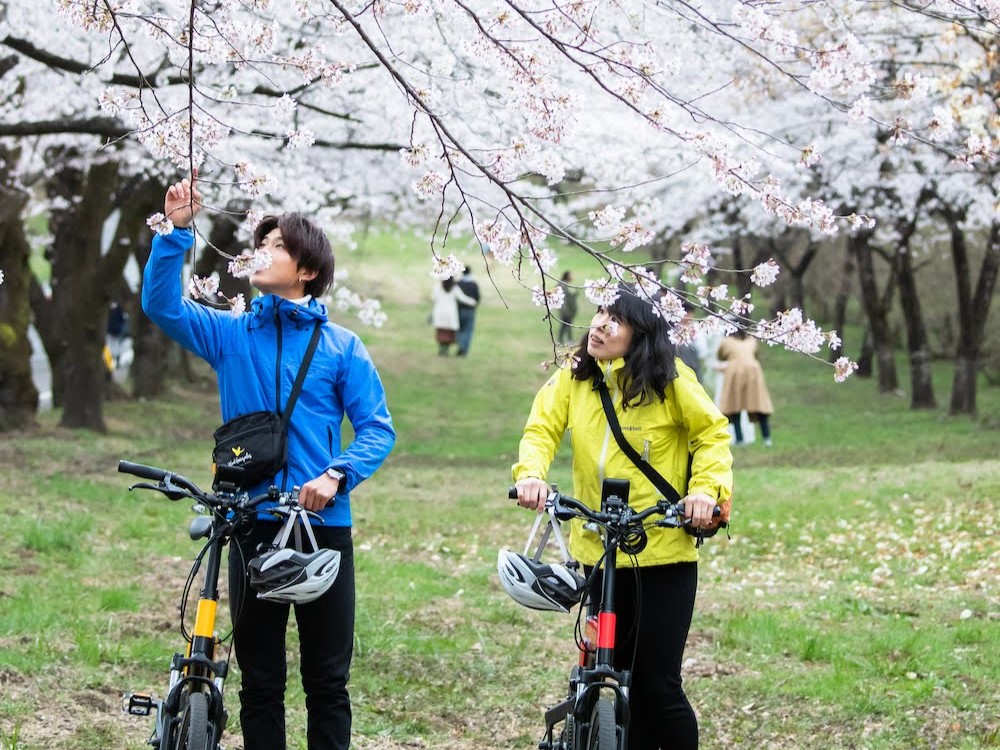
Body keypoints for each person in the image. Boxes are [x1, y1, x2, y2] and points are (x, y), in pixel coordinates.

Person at [142, 172, 396, 750]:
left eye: (278, 246)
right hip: (250, 521)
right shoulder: (230, 335)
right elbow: (159, 305)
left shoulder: (343, 347)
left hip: (322, 527)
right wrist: (176, 233)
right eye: (263, 243)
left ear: (306, 270)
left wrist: (336, 474)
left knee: (327, 682)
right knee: (259, 681)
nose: (263, 252)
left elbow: (378, 429)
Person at [511, 291, 733, 750]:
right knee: (597, 670)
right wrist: (532, 475)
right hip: (597, 549)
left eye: (615, 320)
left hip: (663, 551)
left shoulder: (671, 380)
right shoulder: (574, 377)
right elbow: (542, 428)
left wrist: (703, 492)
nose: (599, 325)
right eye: (599, 314)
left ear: (642, 334)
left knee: (656, 686)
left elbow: (711, 433)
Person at [716, 329, 774, 446]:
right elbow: (756, 354)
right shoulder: (752, 340)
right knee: (758, 404)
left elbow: (720, 355)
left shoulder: (726, 341)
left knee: (734, 406)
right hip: (753, 371)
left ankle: (739, 439)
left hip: (734, 372)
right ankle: (767, 438)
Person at [431, 277, 477, 356]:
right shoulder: (454, 288)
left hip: (440, 313)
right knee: (448, 334)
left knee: (441, 332)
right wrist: (473, 302)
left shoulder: (437, 287)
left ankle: (442, 350)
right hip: (450, 314)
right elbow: (463, 298)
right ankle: (445, 349)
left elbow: (433, 298)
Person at [455, 265, 480, 356]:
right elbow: (477, 298)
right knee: (468, 331)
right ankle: (464, 349)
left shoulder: (458, 283)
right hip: (470, 311)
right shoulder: (473, 284)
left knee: (459, 330)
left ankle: (460, 345)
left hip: (460, 310)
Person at [556, 270, 578, 344]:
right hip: (565, 310)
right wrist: (564, 310)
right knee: (566, 325)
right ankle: (565, 339)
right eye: (571, 275)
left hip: (569, 310)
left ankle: (565, 339)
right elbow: (563, 299)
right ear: (567, 276)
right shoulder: (562, 285)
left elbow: (570, 296)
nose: (572, 277)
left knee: (567, 324)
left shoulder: (567, 285)